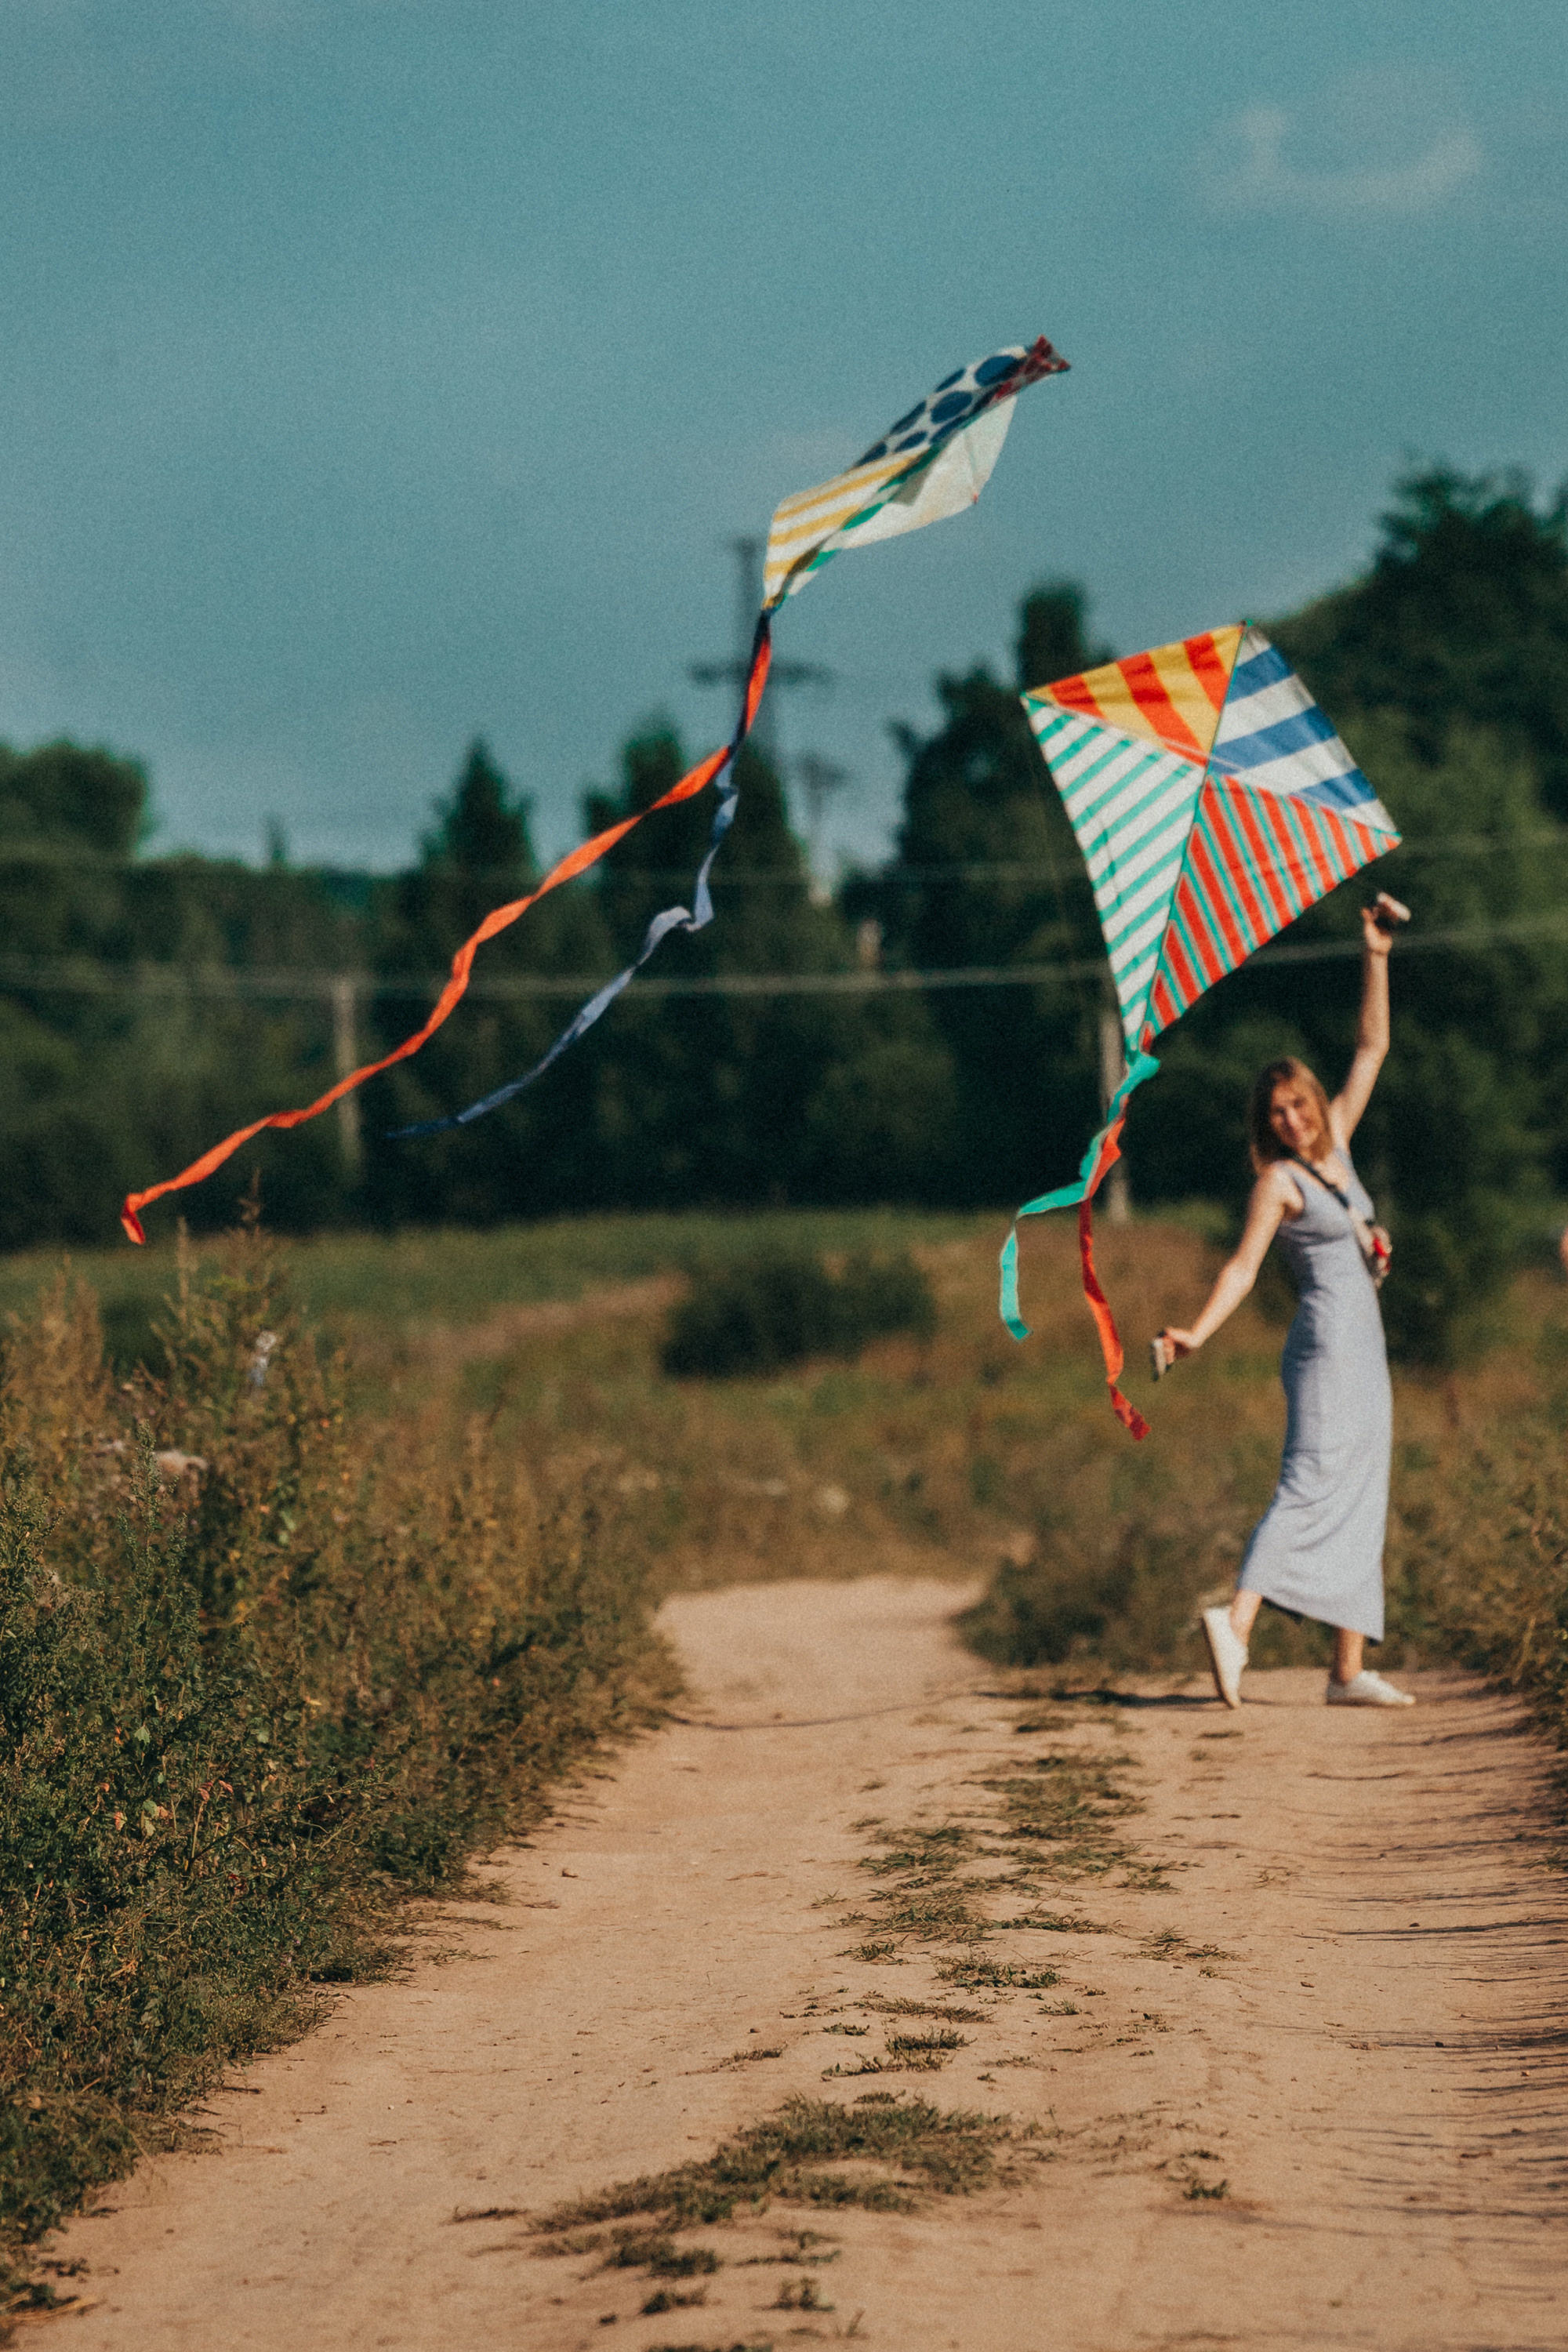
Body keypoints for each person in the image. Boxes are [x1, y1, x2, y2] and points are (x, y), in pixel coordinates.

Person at [1152, 900, 1414, 1710]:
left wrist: (1373, 954)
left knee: (1361, 1485)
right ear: (1264, 1128)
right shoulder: (1280, 1181)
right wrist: (1196, 1330)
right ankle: (1233, 1626)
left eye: (1296, 1104)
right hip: (1325, 1347)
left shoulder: (1332, 1145)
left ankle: (1344, 1669)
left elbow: (1371, 1046)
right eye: (1276, 1116)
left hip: (1361, 1348)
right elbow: (1241, 1267)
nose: (1292, 1120)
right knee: (1307, 1483)